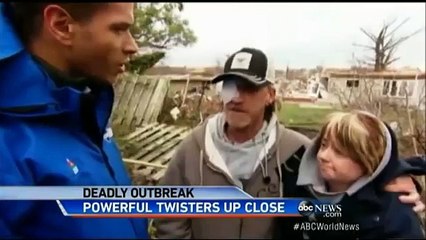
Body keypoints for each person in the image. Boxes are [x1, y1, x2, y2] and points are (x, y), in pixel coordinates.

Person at [152, 47, 424, 239]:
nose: (235, 97)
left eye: (247, 88)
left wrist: (398, 178)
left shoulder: (297, 151)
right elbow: (170, 217)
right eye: (229, 87)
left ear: (270, 94)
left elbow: (357, 173)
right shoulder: (194, 148)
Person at [0, 2, 149, 239]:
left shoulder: (85, 107)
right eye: (119, 29)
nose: (133, 46)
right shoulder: (8, 143)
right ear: (62, 25)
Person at [274, 110, 426, 239]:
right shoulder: (293, 182)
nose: (323, 156)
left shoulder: (395, 216)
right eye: (324, 144)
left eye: (339, 152)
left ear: (368, 160)